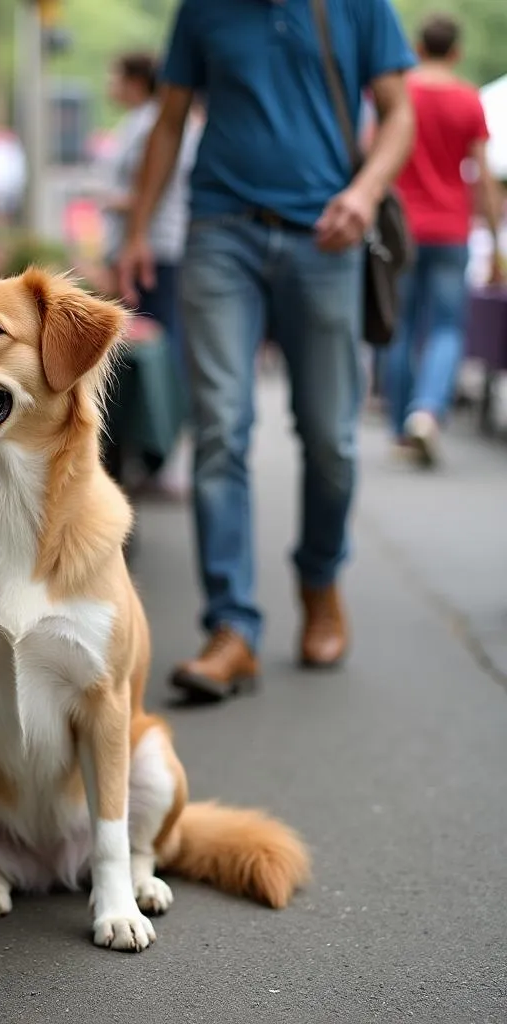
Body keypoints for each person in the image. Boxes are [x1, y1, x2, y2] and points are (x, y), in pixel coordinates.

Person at [118, 0, 416, 700]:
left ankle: (319, 579)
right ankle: (232, 628)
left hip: (328, 236)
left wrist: (366, 192)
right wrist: (135, 232)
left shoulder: (359, 7)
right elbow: (168, 120)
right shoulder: (203, 10)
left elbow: (399, 113)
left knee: (331, 438)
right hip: (222, 232)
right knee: (220, 427)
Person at [381, 14, 504, 467]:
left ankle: (401, 428)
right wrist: (494, 238)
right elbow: (484, 179)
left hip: (402, 231)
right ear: (456, 52)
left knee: (402, 328)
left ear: (417, 46)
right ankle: (427, 412)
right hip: (452, 230)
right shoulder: (469, 101)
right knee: (448, 327)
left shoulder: (401, 93)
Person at [99, 52, 203, 499]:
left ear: (136, 80)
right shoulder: (142, 121)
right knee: (152, 350)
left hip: (159, 251)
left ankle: (168, 454)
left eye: (115, 72)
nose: (109, 81)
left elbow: (156, 187)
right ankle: (155, 453)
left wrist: (124, 211)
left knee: (163, 352)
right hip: (149, 248)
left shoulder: (156, 123)